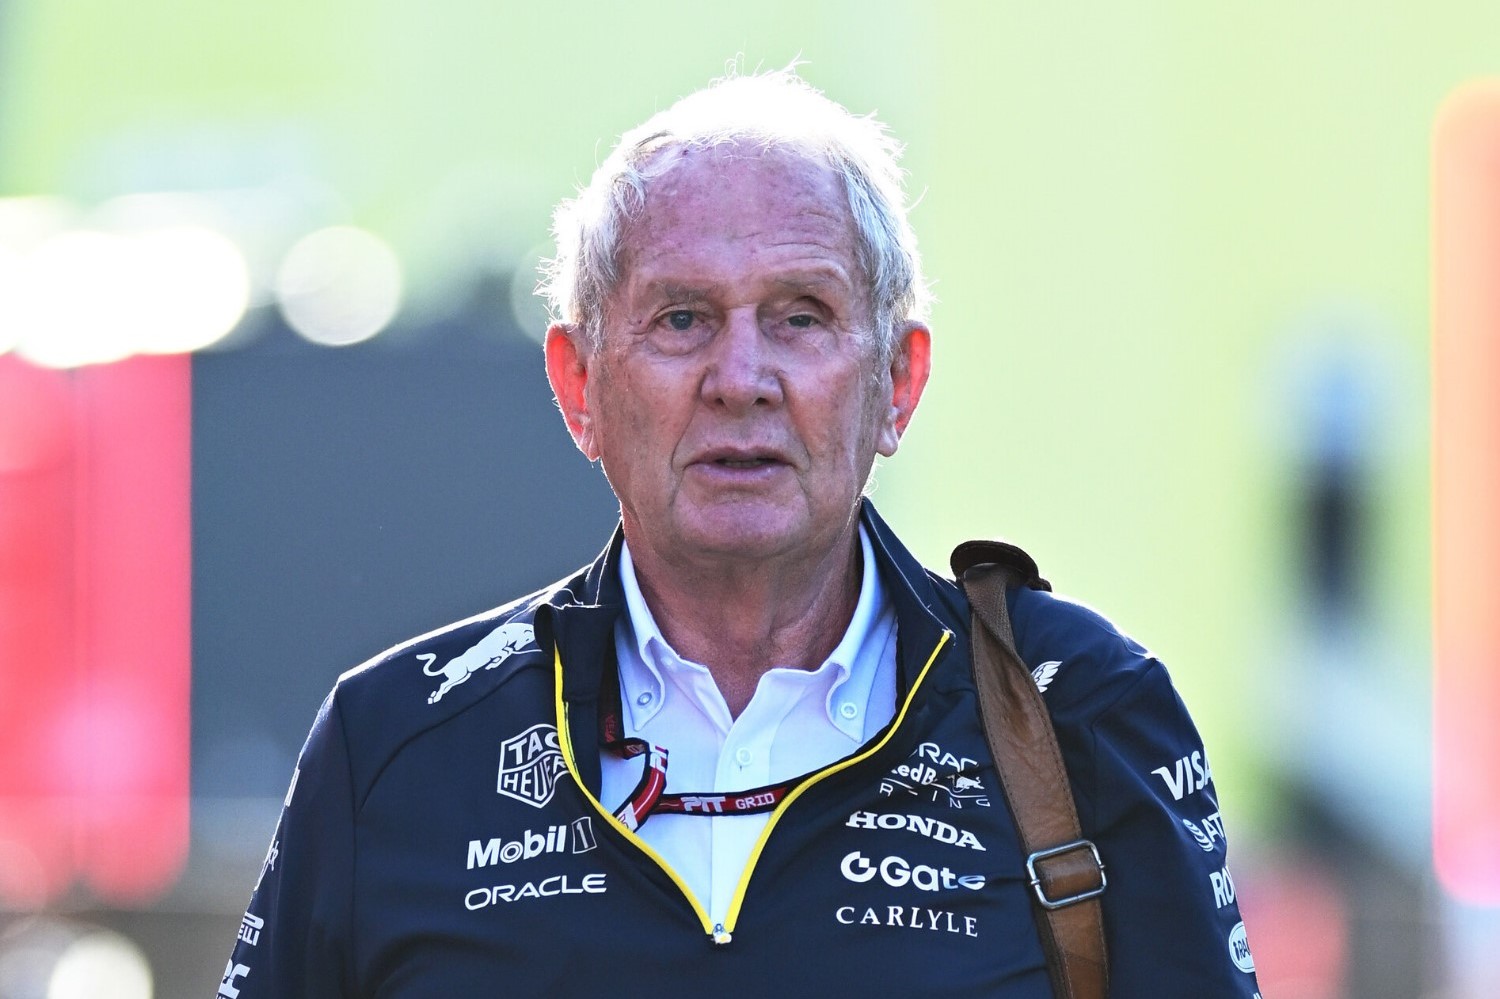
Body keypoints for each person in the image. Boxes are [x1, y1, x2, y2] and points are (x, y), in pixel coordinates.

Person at [221, 68, 1261, 997]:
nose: (741, 380)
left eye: (801, 315)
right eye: (682, 319)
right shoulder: (397, 747)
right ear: (579, 384)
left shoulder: (1077, 708)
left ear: (897, 383)